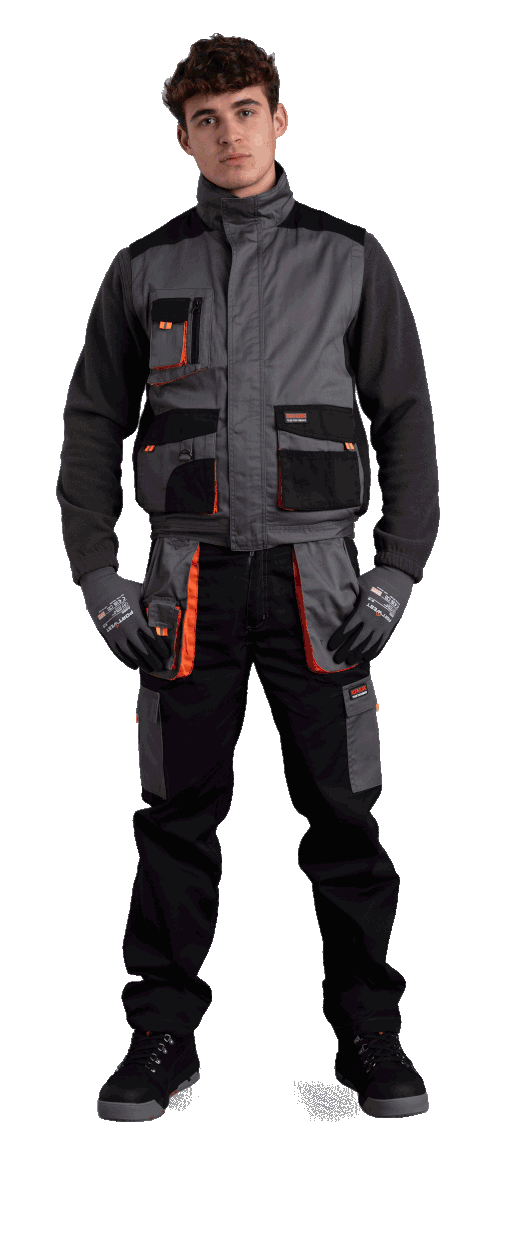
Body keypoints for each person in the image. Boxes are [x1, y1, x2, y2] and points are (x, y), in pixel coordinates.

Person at [56, 33, 439, 1123]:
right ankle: (161, 1035)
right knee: (175, 819)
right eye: (206, 119)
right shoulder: (143, 268)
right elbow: (90, 428)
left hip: (323, 589)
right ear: (182, 136)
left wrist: (394, 573)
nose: (229, 134)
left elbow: (407, 420)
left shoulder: (350, 256)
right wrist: (101, 581)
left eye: (245, 112)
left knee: (345, 820)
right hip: (184, 591)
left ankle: (368, 1030)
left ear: (279, 119)